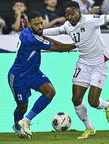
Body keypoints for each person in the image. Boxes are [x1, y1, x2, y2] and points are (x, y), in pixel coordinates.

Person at [43, 1, 109, 139]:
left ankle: (107, 105)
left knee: (93, 101)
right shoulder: (68, 26)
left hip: (100, 63)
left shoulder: (90, 20)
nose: (70, 17)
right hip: (83, 63)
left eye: (72, 14)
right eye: (67, 14)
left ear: (79, 13)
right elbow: (56, 31)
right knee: (76, 99)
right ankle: (89, 128)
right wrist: (38, 32)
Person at [8, 11, 76, 139]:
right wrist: (79, 44)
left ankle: (26, 120)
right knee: (22, 107)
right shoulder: (30, 38)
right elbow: (59, 48)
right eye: (36, 24)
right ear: (29, 25)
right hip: (18, 77)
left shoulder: (33, 33)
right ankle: (17, 127)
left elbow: (46, 39)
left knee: (50, 92)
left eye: (41, 23)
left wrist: (68, 45)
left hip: (33, 73)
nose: (40, 26)